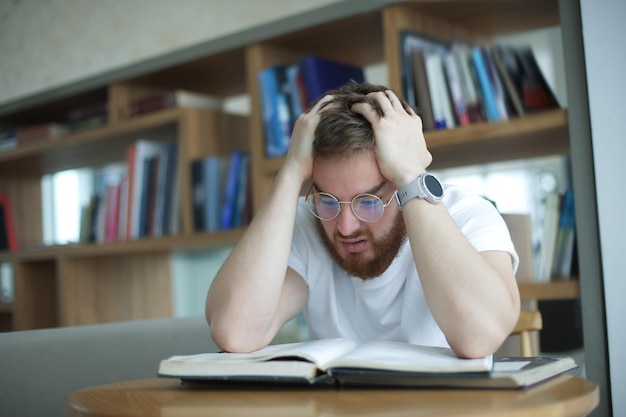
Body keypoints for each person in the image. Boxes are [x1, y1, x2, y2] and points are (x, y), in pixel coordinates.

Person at [206, 82, 520, 359]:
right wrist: (290, 174)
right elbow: (236, 331)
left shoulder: (466, 214)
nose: (345, 227)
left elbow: (480, 338)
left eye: (368, 201)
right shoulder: (307, 221)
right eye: (327, 199)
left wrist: (411, 176)